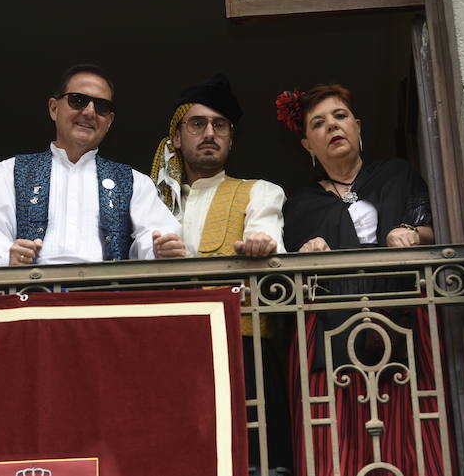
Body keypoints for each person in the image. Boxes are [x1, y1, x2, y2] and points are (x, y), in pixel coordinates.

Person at [276, 84, 443, 476]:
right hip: (332, 334)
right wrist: (307, 252)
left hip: (399, 322)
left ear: (357, 124)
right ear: (307, 145)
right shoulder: (299, 204)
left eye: (339, 116)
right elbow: (289, 269)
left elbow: (436, 228)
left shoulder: (396, 174)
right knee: (336, 444)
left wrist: (413, 234)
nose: (332, 126)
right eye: (318, 123)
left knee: (411, 436)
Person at [151, 73, 291, 474]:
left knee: (255, 461)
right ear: (176, 137)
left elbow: (269, 237)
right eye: (197, 124)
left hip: (242, 350)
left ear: (231, 138)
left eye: (220, 125)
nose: (209, 133)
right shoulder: (153, 200)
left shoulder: (260, 190)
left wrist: (263, 245)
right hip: (171, 352)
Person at [0, 63, 184, 267]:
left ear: (109, 121)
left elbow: (155, 236)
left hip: (105, 299)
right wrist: (7, 256)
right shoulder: (11, 171)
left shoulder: (134, 182)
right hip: (32, 295)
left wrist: (159, 250)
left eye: (101, 107)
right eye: (78, 100)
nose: (90, 112)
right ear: (54, 108)